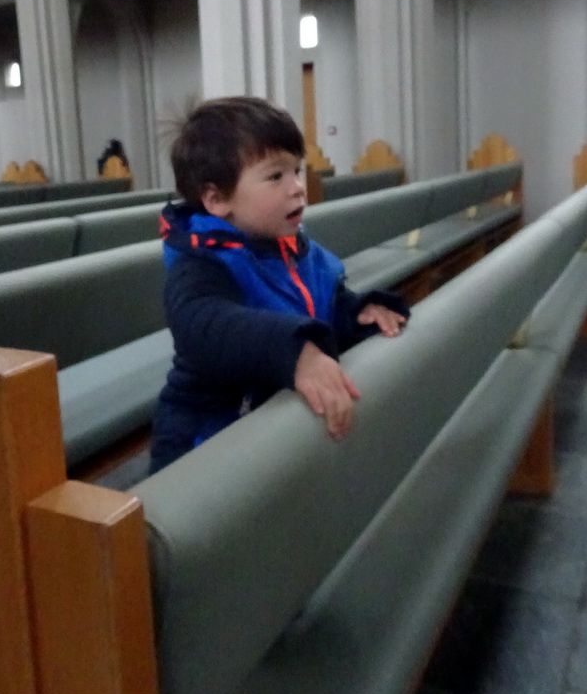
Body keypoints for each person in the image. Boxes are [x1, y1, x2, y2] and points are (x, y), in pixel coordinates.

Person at [149, 96, 409, 473]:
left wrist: (358, 313)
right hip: (205, 440)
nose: (298, 187)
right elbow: (203, 323)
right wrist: (295, 352)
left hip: (271, 425)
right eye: (276, 176)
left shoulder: (296, 250)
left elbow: (325, 301)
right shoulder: (202, 264)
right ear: (217, 199)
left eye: (296, 171)